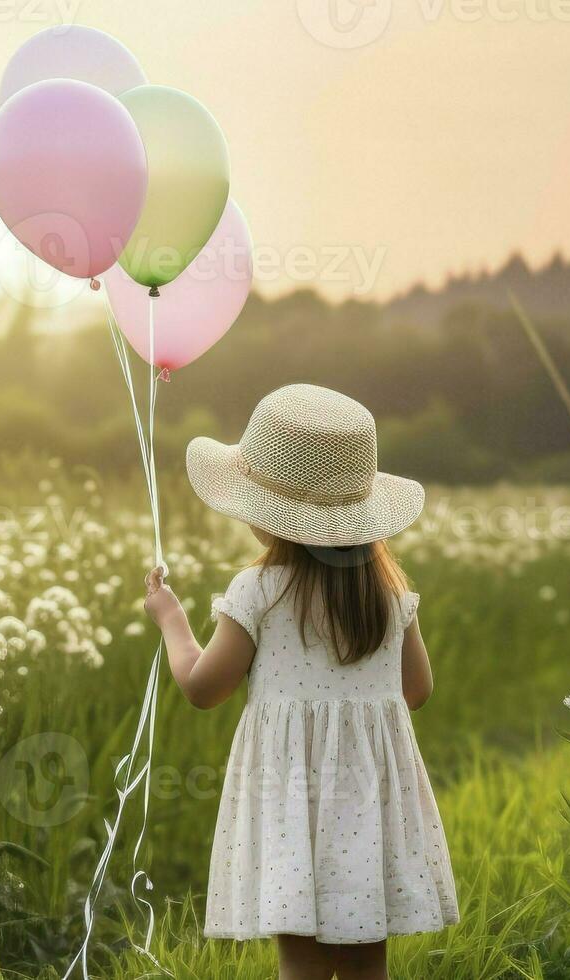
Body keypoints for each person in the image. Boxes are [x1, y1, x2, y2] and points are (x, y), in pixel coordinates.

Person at [141, 383, 459, 980]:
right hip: (371, 807)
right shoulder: (391, 597)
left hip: (291, 802)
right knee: (368, 959)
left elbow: (203, 688)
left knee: (301, 961)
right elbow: (417, 691)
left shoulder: (260, 591)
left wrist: (172, 621)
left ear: (268, 514)